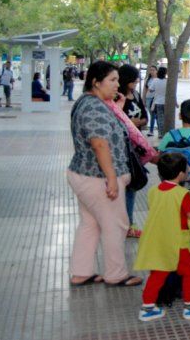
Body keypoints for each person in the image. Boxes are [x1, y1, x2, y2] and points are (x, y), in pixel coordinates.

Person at [67, 61, 143, 287]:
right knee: (115, 224)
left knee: (90, 224)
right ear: (95, 82)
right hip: (98, 178)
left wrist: (116, 107)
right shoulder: (94, 108)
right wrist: (111, 178)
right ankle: (116, 274)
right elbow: (99, 144)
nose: (117, 85)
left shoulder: (91, 103)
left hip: (85, 174)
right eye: (112, 80)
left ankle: (81, 272)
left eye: (117, 80)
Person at [134, 153, 190, 322]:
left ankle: (147, 308)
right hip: (177, 243)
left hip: (158, 240)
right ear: (181, 174)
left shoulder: (154, 190)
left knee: (158, 273)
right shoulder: (182, 193)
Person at [159, 100, 190, 257]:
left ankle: (174, 250)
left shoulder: (170, 135)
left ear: (180, 115)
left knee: (175, 219)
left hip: (172, 188)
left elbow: (161, 158)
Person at [118, 64, 147, 238]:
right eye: (133, 81)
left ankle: (128, 222)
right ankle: (124, 223)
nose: (136, 83)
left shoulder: (135, 95)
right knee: (125, 185)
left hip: (136, 148)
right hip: (122, 147)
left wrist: (138, 122)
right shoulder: (117, 99)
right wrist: (130, 124)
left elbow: (145, 116)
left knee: (132, 184)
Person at [150, 67, 167, 138]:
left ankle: (160, 133)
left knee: (160, 118)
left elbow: (151, 89)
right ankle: (165, 132)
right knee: (165, 118)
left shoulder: (155, 80)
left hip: (158, 102)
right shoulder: (167, 81)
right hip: (166, 102)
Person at [144, 66, 158, 136]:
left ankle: (152, 130)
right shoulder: (148, 79)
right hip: (148, 98)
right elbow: (145, 89)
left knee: (153, 115)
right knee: (152, 114)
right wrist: (144, 98)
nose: (152, 71)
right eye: (150, 70)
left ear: (156, 71)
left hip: (155, 98)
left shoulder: (158, 79)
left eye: (153, 70)